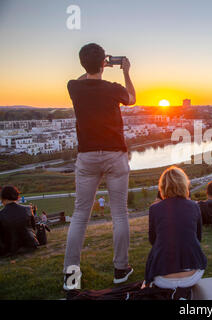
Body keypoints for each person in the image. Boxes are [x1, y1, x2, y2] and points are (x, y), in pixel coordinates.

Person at [63, 43, 136, 290]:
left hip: (87, 156)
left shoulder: (74, 86)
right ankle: (120, 269)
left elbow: (84, 77)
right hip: (115, 154)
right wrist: (125, 71)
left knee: (80, 215)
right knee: (119, 214)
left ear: (83, 64)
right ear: (104, 63)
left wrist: (95, 66)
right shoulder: (113, 88)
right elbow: (133, 99)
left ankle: (71, 277)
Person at [142, 166, 207, 292]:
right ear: (184, 185)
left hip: (162, 279)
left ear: (162, 187)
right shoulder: (194, 206)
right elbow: (198, 238)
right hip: (192, 276)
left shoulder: (154, 209)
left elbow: (153, 241)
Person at [0, 186, 39, 257]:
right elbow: (34, 228)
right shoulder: (28, 209)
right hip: (31, 244)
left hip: (11, 250)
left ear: (3, 198)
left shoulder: (1, 215)